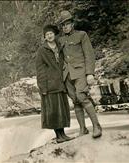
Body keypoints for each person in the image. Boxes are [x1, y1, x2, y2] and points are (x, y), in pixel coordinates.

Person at [57, 10, 102, 138]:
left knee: (81, 96)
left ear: (72, 24)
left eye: (67, 24)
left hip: (81, 72)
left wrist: (90, 73)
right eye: (62, 25)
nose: (65, 27)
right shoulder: (60, 40)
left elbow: (89, 55)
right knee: (76, 101)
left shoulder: (82, 35)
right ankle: (83, 129)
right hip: (67, 75)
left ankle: (96, 126)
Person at [36, 24, 74, 143]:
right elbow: (40, 69)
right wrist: (43, 87)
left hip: (60, 82)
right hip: (49, 85)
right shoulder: (42, 50)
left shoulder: (59, 46)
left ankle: (63, 134)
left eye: (51, 33)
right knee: (53, 111)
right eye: (47, 35)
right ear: (44, 37)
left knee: (62, 109)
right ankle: (58, 136)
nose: (49, 36)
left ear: (54, 34)